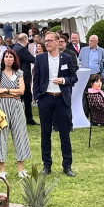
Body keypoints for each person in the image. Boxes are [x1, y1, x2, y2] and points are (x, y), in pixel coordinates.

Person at [32, 32, 78, 177]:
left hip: (61, 99)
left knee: (64, 133)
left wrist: (63, 81)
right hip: (45, 98)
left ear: (58, 42)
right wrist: (37, 98)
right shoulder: (40, 58)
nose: (47, 43)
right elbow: (36, 80)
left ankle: (67, 165)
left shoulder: (67, 58)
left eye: (50, 40)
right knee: (45, 133)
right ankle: (47, 165)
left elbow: (73, 77)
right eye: (46, 41)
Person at [0, 49, 32, 178]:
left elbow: (22, 91)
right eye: (6, 56)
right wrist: (12, 92)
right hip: (2, 106)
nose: (8, 59)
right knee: (0, 136)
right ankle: (1, 171)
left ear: (14, 59)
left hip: (17, 106)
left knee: (20, 134)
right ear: (3, 59)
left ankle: (21, 169)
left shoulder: (19, 73)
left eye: (11, 57)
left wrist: (5, 90)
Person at [12, 33, 38, 125]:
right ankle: (28, 119)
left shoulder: (15, 47)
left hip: (19, 77)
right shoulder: (21, 49)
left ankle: (26, 119)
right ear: (25, 40)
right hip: (23, 77)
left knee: (23, 98)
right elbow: (33, 59)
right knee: (26, 98)